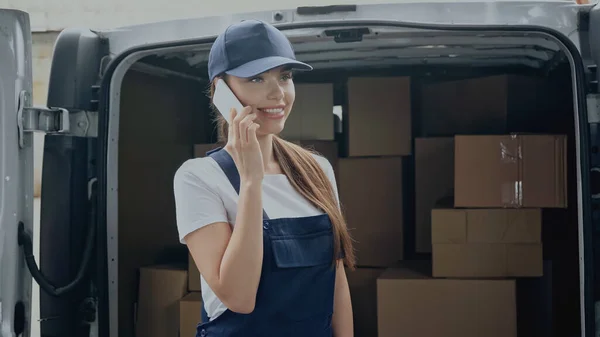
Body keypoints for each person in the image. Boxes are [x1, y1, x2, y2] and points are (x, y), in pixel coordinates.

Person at [173, 19, 356, 337]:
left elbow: (336, 277)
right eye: (257, 78)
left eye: (285, 77)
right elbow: (239, 298)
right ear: (222, 91)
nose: (278, 93)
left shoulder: (317, 170)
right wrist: (251, 181)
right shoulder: (199, 178)